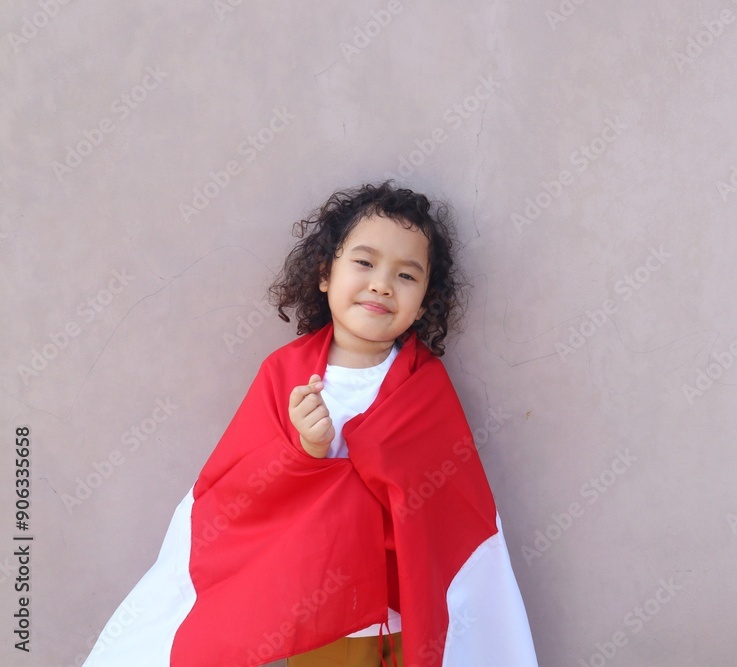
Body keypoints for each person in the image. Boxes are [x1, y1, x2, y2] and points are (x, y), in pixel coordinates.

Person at [83, 182, 538, 667]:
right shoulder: (286, 371)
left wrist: (382, 456)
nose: (382, 284)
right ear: (325, 273)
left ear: (424, 303)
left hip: (400, 607)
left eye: (406, 275)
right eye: (364, 263)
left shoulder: (425, 386)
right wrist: (307, 452)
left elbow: (450, 499)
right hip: (320, 604)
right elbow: (241, 486)